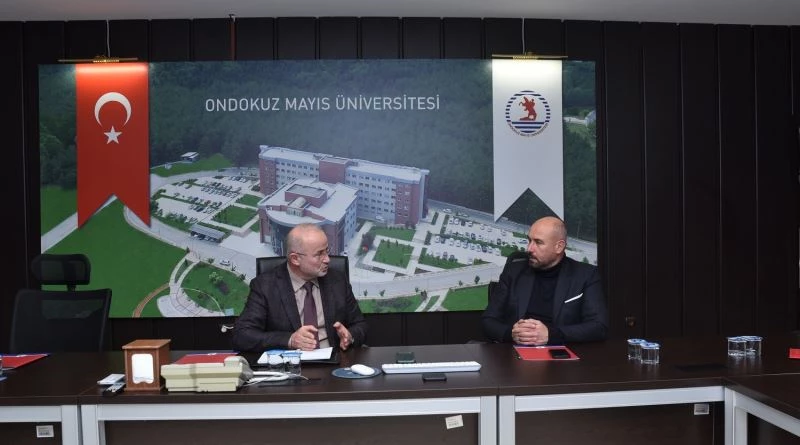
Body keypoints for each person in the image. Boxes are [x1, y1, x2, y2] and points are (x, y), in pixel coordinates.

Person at [232, 223, 367, 352]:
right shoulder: (265, 286)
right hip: (290, 362)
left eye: (327, 251)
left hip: (334, 360)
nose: (327, 259)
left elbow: (360, 325)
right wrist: (290, 340)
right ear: (295, 259)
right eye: (319, 254)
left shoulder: (337, 280)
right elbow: (242, 335)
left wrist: (350, 336)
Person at [482, 216, 608, 345]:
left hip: (560, 351)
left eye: (538, 242)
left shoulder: (586, 275)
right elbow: (488, 320)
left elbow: (599, 327)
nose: (529, 249)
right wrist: (512, 334)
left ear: (559, 247)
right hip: (515, 350)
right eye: (529, 240)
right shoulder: (514, 271)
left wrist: (551, 335)